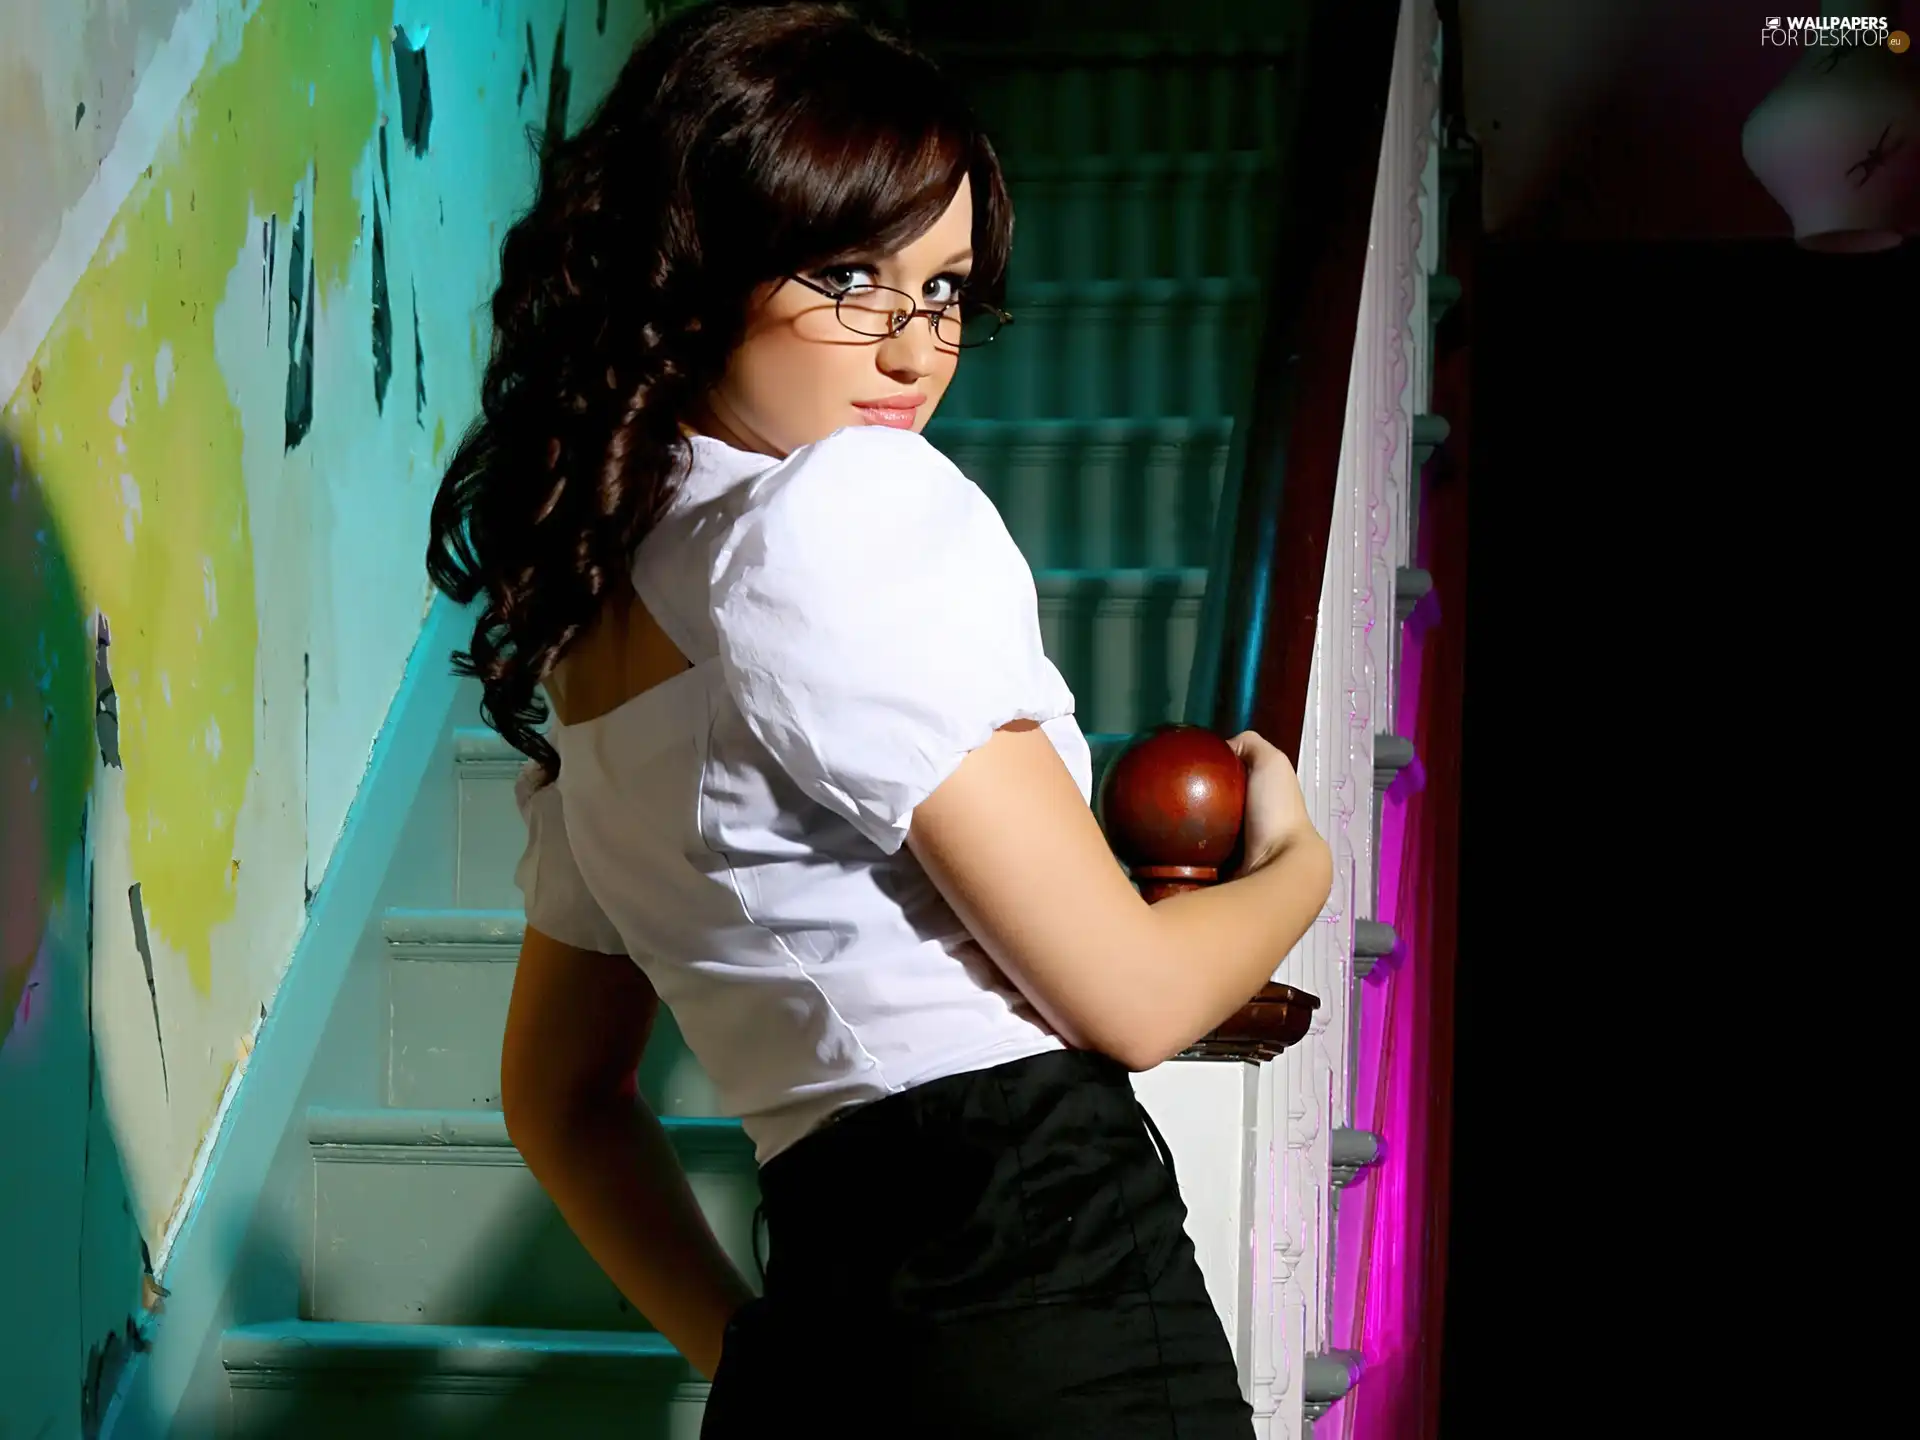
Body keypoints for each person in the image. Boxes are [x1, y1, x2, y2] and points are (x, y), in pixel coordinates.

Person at [425, 3, 1334, 1434]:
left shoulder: (595, 623)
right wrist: (1301, 869)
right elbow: (1137, 1000)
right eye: (852, 275)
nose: (916, 348)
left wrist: (755, 1363)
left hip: (833, 1331)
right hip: (1051, 1295)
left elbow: (560, 1102)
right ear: (700, 265)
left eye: (948, 288)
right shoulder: (840, 511)